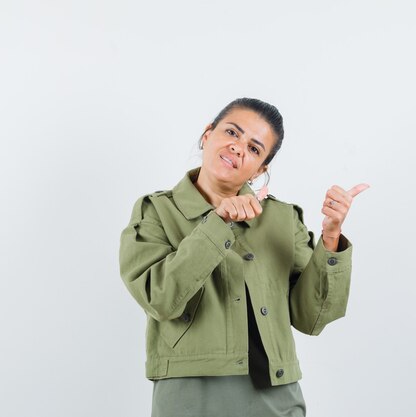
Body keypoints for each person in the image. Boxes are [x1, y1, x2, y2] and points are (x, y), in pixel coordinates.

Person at [119, 98, 369, 417]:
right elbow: (160, 298)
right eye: (232, 132)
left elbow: (313, 318)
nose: (238, 148)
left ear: (261, 168)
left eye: (254, 149)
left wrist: (331, 238)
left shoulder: (283, 218)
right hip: (191, 399)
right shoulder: (155, 211)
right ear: (207, 135)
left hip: (277, 400)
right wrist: (218, 223)